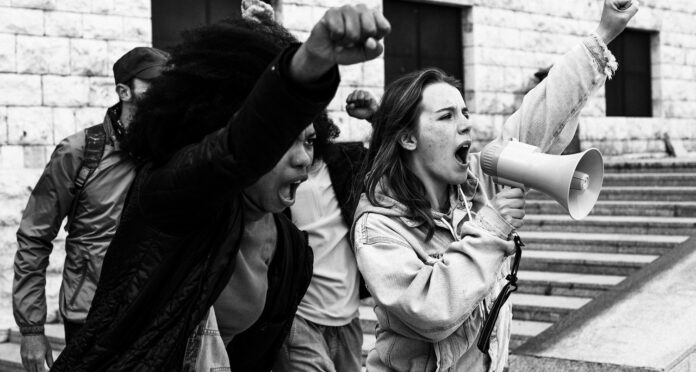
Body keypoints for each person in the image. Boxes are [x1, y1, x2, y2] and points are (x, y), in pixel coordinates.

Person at [49, 4, 391, 371]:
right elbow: (235, 148)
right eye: (282, 140)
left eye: (308, 142)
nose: (303, 159)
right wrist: (308, 63)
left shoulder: (290, 251)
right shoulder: (172, 201)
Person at [352, 1, 638, 371]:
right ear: (407, 138)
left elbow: (540, 116)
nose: (466, 124)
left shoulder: (478, 185)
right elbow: (430, 309)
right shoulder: (378, 227)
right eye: (447, 116)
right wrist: (489, 229)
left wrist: (603, 35)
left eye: (465, 113)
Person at [12, 46, 168, 372]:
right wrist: (31, 329)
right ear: (124, 91)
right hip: (88, 315)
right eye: (153, 84)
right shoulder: (79, 152)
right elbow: (34, 237)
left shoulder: (170, 152)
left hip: (152, 313)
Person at [274, 90, 377, 371]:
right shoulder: (274, 182)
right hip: (299, 320)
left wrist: (376, 118)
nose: (301, 154)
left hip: (348, 319)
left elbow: (398, 163)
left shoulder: (346, 163)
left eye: (308, 140)